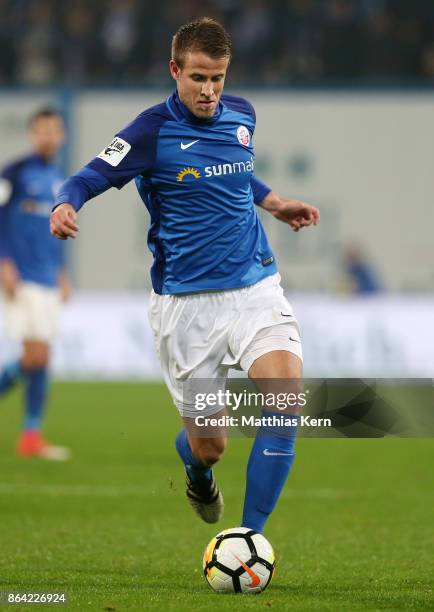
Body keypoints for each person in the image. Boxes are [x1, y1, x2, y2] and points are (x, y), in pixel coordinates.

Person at [50, 18, 320, 532]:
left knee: (285, 401)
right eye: (198, 78)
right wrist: (65, 205)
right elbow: (87, 176)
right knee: (210, 444)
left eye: (218, 78)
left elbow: (237, 170)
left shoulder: (242, 115)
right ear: (175, 70)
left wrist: (274, 202)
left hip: (256, 288)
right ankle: (196, 470)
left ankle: (247, 539)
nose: (210, 91)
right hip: (188, 310)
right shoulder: (149, 132)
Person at [0, 108, 70, 460]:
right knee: (34, 356)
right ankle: (30, 434)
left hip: (46, 277)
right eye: (42, 130)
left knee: (42, 358)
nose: (48, 136)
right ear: (32, 134)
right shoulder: (13, 173)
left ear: (62, 136)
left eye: (54, 130)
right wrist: (4, 262)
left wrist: (61, 271)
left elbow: (56, 232)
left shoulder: (59, 179)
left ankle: (31, 435)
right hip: (22, 276)